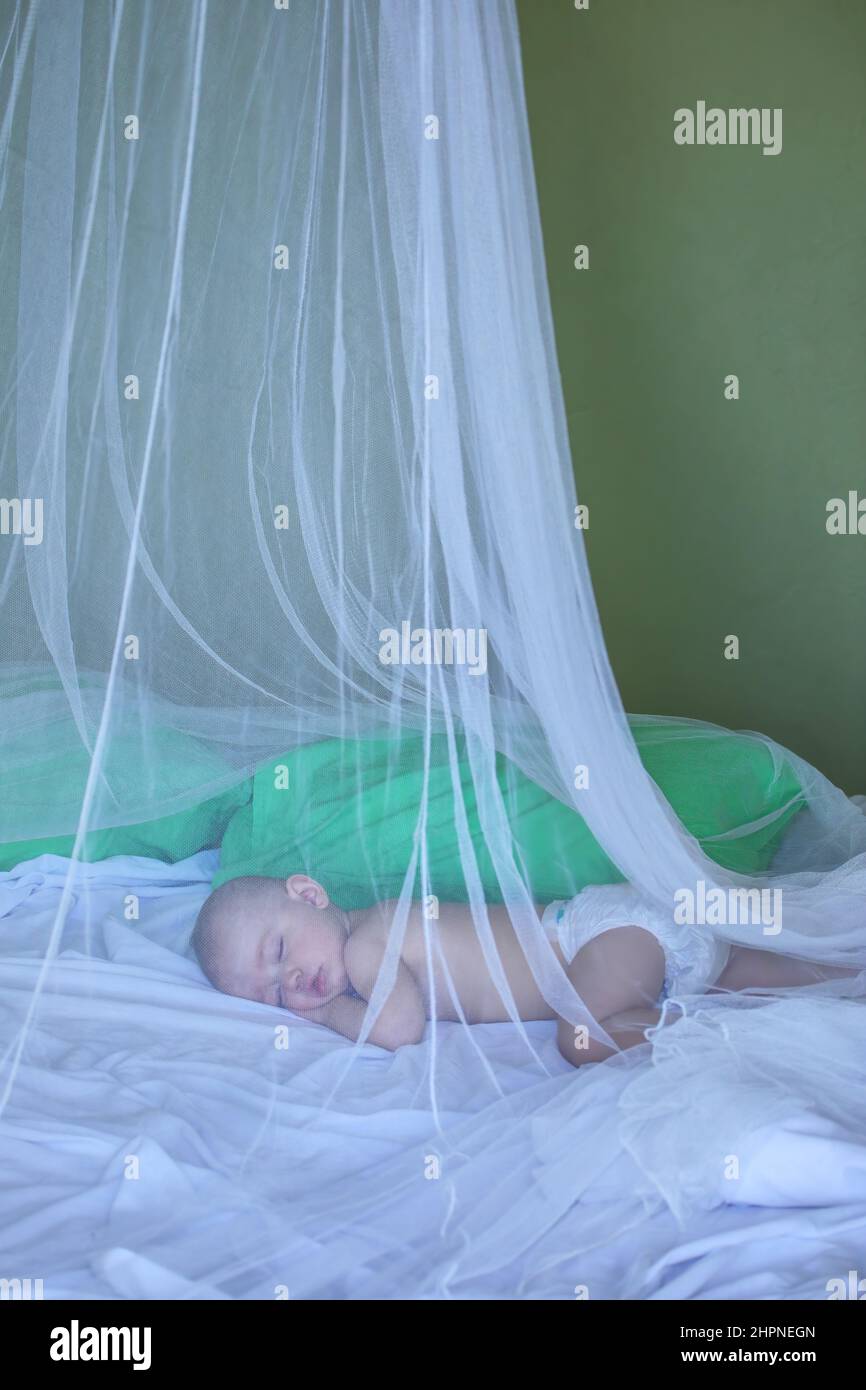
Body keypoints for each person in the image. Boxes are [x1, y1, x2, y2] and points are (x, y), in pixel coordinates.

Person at [192, 874, 863, 1066]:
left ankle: (713, 1029)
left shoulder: (368, 944)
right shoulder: (380, 918)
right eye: (273, 993)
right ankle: (841, 974)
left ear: (309, 894)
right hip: (616, 931)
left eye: (281, 954)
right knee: (746, 973)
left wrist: (323, 1012)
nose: (295, 986)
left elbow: (398, 1030)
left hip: (598, 937)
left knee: (579, 1040)